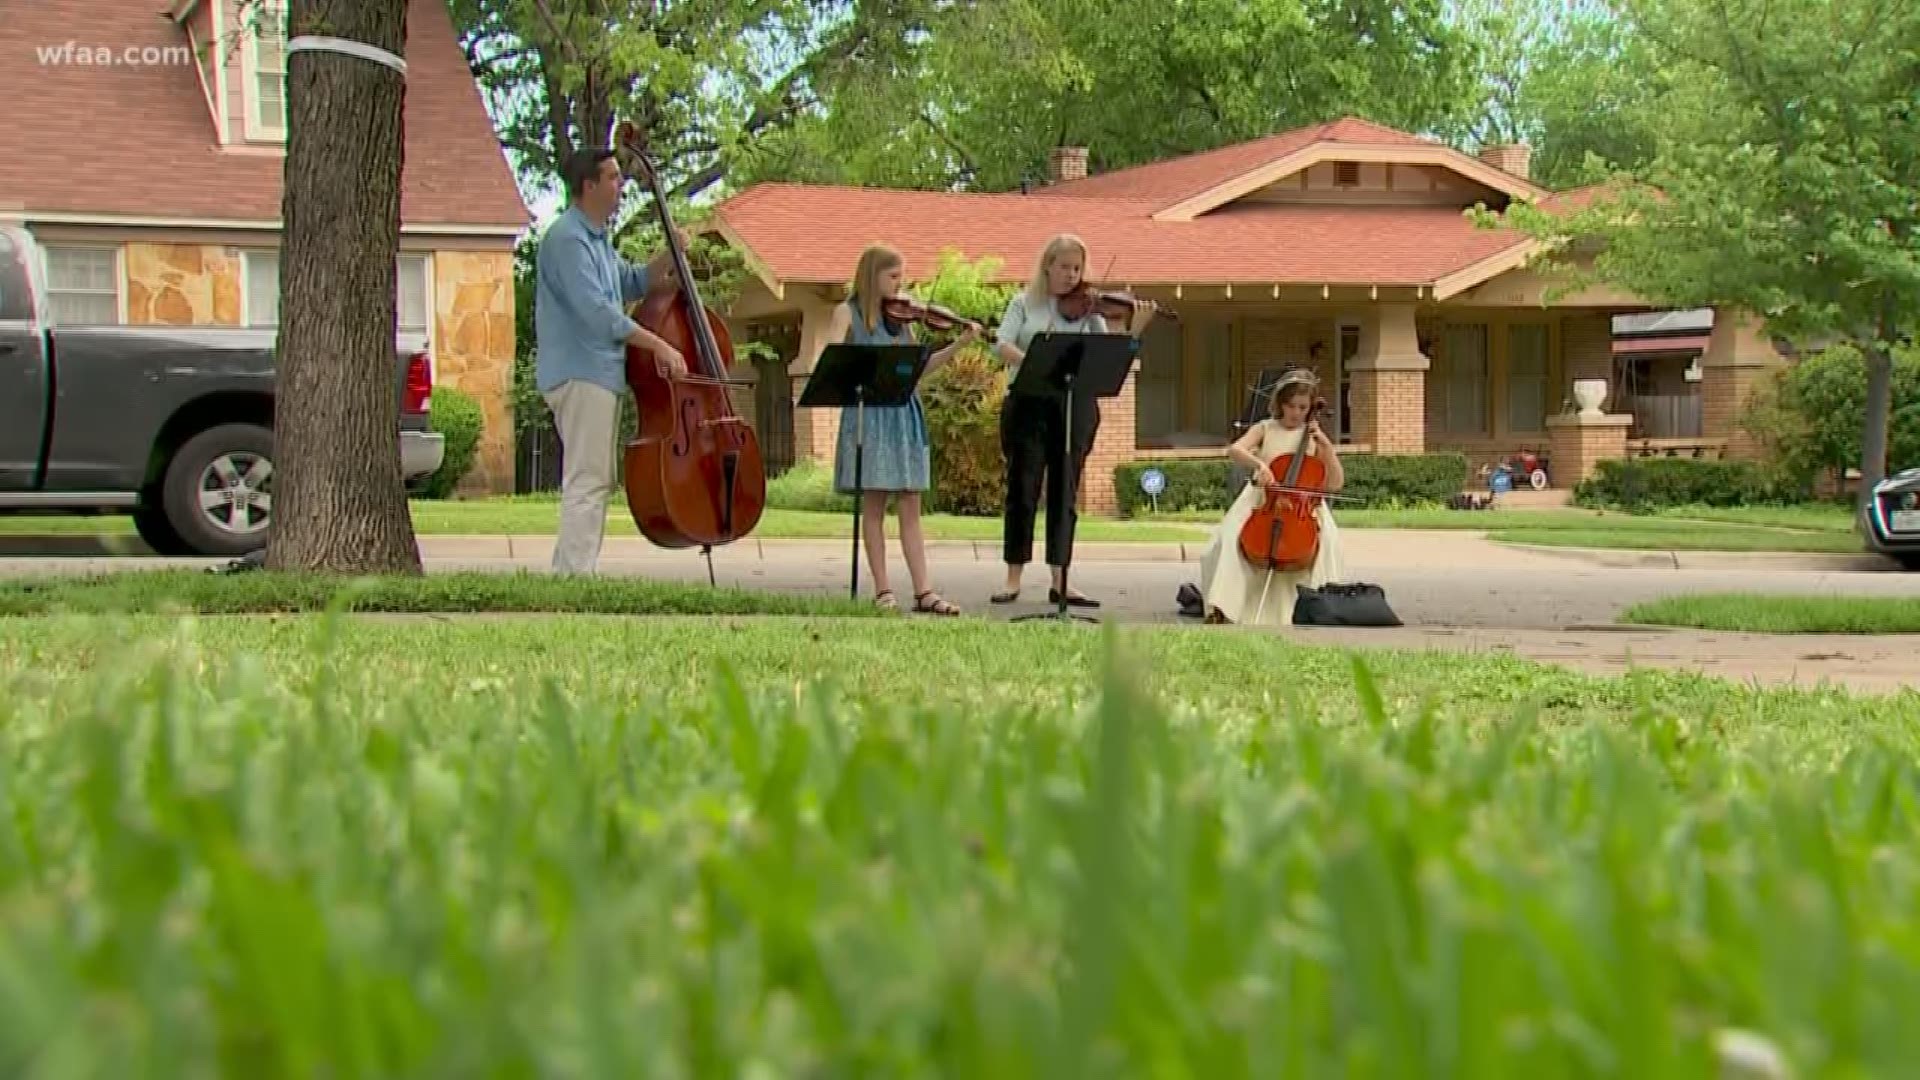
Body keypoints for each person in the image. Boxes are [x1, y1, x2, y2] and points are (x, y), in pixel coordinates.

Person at [533, 146, 689, 574]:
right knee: (587, 478)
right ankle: (572, 575)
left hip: (599, 373)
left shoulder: (597, 241)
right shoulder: (567, 238)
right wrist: (658, 345)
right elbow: (598, 312)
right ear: (589, 186)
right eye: (614, 178)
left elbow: (633, 281)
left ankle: (577, 570)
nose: (621, 187)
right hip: (580, 371)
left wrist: (669, 253)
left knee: (595, 477)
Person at [990, 233, 1154, 607]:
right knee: (1022, 487)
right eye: (1064, 267)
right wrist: (1032, 364)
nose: (1070, 275)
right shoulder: (1023, 303)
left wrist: (1135, 328)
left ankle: (1061, 578)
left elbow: (1108, 354)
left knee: (1066, 490)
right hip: (1029, 401)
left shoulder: (1089, 310)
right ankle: (1013, 578)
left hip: (1073, 405)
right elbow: (1001, 343)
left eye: (1077, 268)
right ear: (1047, 266)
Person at [821, 244, 978, 614]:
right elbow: (831, 359)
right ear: (871, 276)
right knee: (874, 504)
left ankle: (924, 591)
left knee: (910, 504)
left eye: (902, 277)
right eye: (893, 277)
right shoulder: (847, 312)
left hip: (904, 413)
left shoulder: (903, 322)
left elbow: (920, 370)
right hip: (870, 414)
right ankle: (882, 590)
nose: (900, 285)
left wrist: (959, 342)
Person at [1196, 368, 1347, 625]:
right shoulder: (1265, 428)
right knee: (1226, 539)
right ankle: (1224, 606)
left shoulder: (1314, 438)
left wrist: (1326, 447)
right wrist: (1260, 465)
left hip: (1301, 508)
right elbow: (1234, 449)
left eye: (1302, 407)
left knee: (1328, 542)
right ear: (1280, 404)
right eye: (1291, 406)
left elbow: (1335, 483)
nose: (1296, 413)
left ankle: (1315, 607)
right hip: (1262, 500)